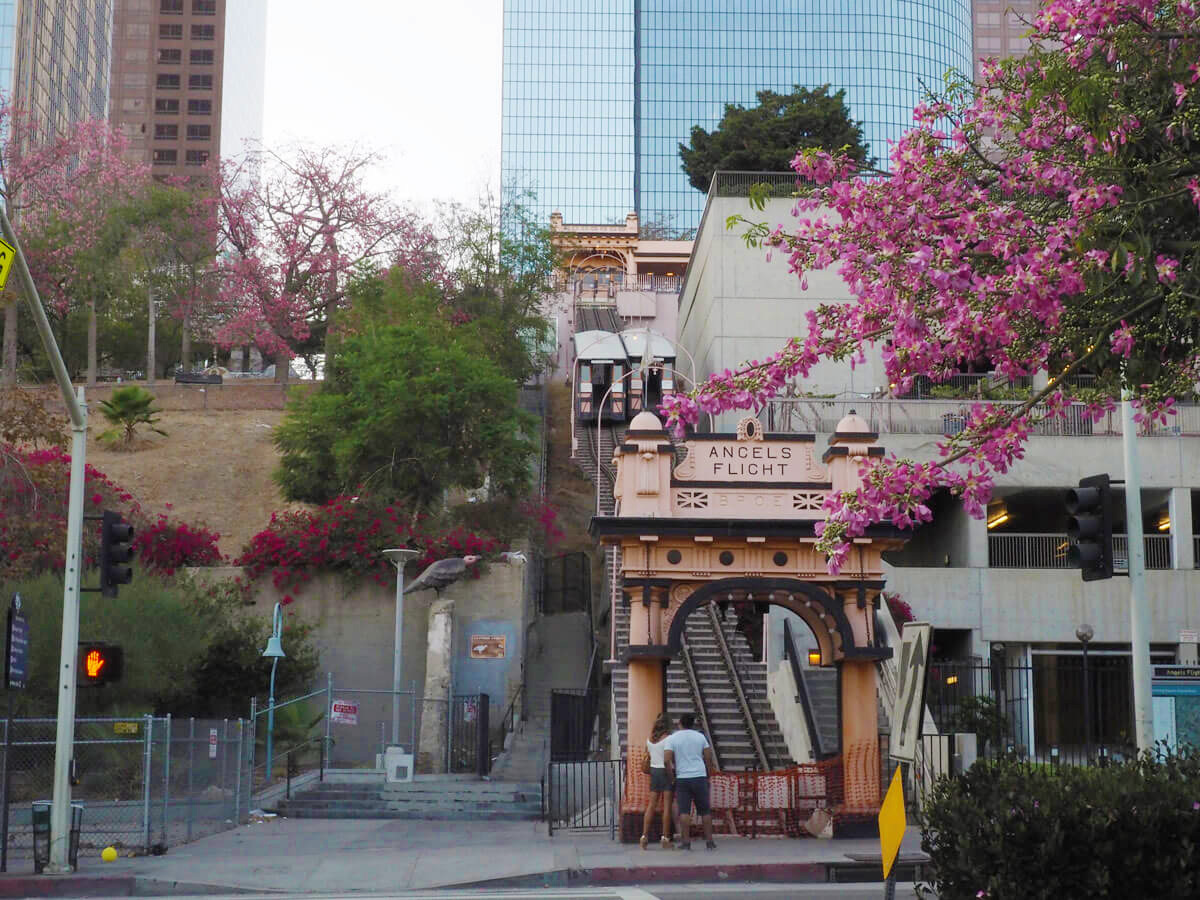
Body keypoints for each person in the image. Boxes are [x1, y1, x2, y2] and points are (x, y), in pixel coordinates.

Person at [663, 713, 717, 850]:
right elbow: (708, 757)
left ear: (680, 723)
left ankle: (686, 842)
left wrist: (672, 777)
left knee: (684, 812)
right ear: (692, 724)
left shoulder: (672, 738)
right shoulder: (700, 737)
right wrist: (708, 774)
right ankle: (709, 841)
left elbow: (666, 760)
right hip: (700, 776)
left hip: (682, 779)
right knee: (705, 811)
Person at [640, 713, 675, 850]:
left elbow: (647, 754)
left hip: (654, 772)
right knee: (666, 807)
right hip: (665, 772)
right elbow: (668, 760)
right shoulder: (669, 739)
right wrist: (672, 777)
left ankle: (644, 837)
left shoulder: (649, 739)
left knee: (651, 806)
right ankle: (665, 838)